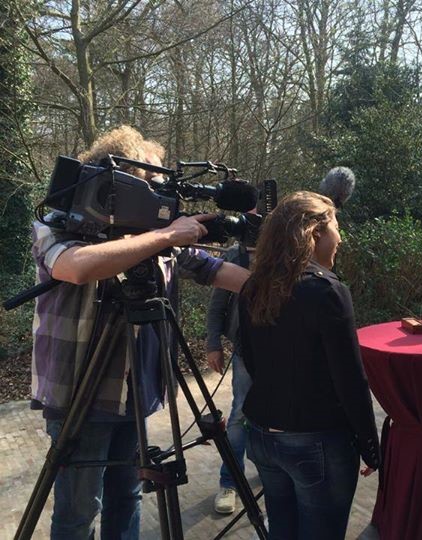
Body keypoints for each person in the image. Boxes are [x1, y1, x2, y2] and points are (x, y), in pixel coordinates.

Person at [30, 125, 249, 540]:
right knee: (78, 513)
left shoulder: (154, 234)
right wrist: (165, 235)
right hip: (80, 392)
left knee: (127, 498)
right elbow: (75, 266)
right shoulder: (60, 220)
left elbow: (213, 268)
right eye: (150, 182)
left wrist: (285, 288)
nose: (158, 195)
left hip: (136, 392)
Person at [238, 191, 380, 540]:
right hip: (315, 442)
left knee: (282, 532)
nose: (340, 238)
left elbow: (251, 361)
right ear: (315, 232)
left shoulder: (253, 286)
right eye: (336, 227)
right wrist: (370, 445)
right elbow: (350, 379)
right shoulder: (328, 291)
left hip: (262, 437)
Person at [205, 242, 253, 514]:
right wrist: (213, 344)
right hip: (245, 351)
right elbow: (218, 305)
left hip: (284, 352)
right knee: (240, 415)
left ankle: (277, 475)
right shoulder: (238, 254)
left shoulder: (292, 247)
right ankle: (229, 482)